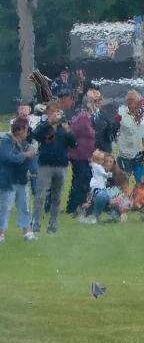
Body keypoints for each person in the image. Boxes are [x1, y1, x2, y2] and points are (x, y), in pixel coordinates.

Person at [31, 101, 71, 235]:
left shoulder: (63, 126)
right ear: (48, 113)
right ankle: (36, 225)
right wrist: (48, 123)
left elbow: (73, 143)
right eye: (53, 112)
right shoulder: (43, 126)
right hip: (45, 165)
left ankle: (53, 226)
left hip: (61, 165)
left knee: (57, 197)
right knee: (40, 196)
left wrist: (68, 132)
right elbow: (35, 135)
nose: (56, 114)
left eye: (57, 111)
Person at [0, 117, 38, 242]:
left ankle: (27, 232)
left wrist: (34, 172)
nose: (27, 133)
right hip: (8, 179)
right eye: (26, 130)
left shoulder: (25, 143)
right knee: (5, 207)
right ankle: (1, 234)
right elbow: (9, 157)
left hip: (21, 179)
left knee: (24, 207)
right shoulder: (6, 141)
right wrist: (25, 155)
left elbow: (30, 160)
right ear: (19, 130)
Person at [64, 94, 96, 216]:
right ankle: (73, 207)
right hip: (79, 155)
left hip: (86, 155)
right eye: (94, 102)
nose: (96, 104)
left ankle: (81, 205)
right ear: (88, 104)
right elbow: (71, 135)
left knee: (85, 180)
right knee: (80, 181)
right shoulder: (81, 118)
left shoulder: (88, 117)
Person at [115, 90, 144, 175]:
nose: (130, 101)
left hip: (140, 153)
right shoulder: (122, 111)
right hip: (125, 154)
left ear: (138, 100)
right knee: (124, 178)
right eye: (128, 99)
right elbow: (117, 127)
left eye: (132, 99)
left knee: (141, 179)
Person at [86, 88, 116, 154]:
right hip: (91, 153)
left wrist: (115, 126)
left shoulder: (104, 114)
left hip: (105, 151)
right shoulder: (84, 116)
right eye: (96, 100)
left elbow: (110, 133)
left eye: (100, 99)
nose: (100, 102)